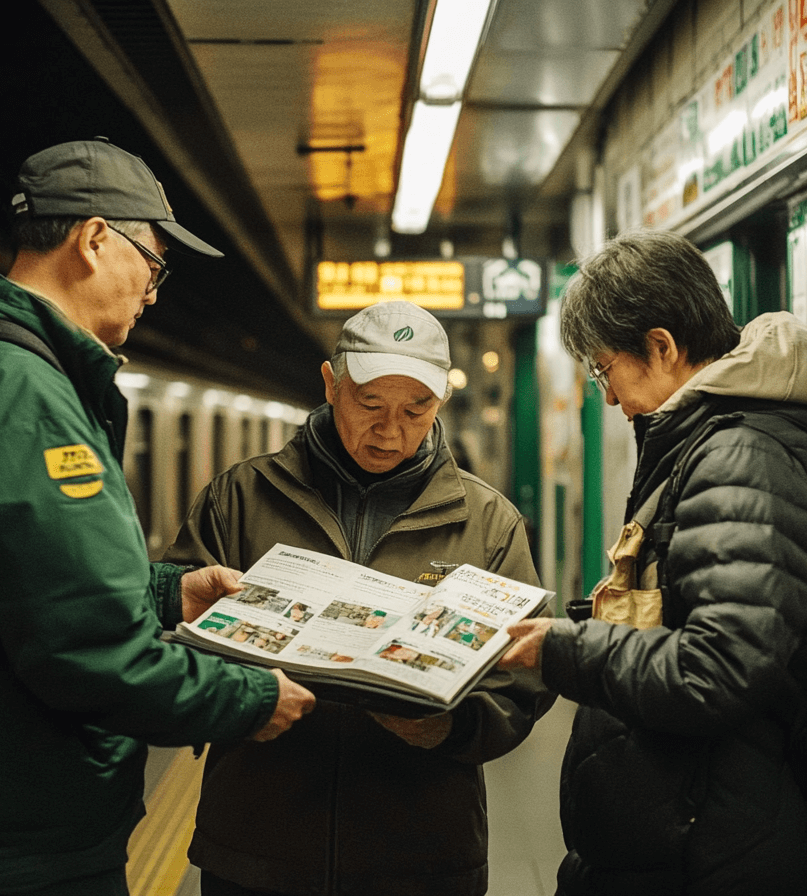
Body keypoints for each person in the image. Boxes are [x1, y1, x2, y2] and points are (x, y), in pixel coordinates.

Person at [0, 138, 315, 896]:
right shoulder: (25, 394)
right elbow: (85, 653)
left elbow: (16, 584)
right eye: (153, 265)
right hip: (19, 832)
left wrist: (164, 595)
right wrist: (249, 700)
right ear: (92, 239)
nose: (154, 293)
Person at [500, 229, 807, 896]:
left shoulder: (741, 458)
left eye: (603, 369)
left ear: (663, 347)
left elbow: (718, 671)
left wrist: (566, 650)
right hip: (696, 819)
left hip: (717, 840)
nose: (610, 398)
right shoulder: (713, 445)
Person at [164, 300, 554, 896]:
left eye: (415, 410)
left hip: (423, 858)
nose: (390, 430)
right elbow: (167, 645)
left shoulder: (489, 522)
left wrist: (448, 727)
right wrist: (238, 700)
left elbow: (524, 682)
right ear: (330, 383)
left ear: (440, 403)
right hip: (258, 852)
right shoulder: (239, 498)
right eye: (369, 405)